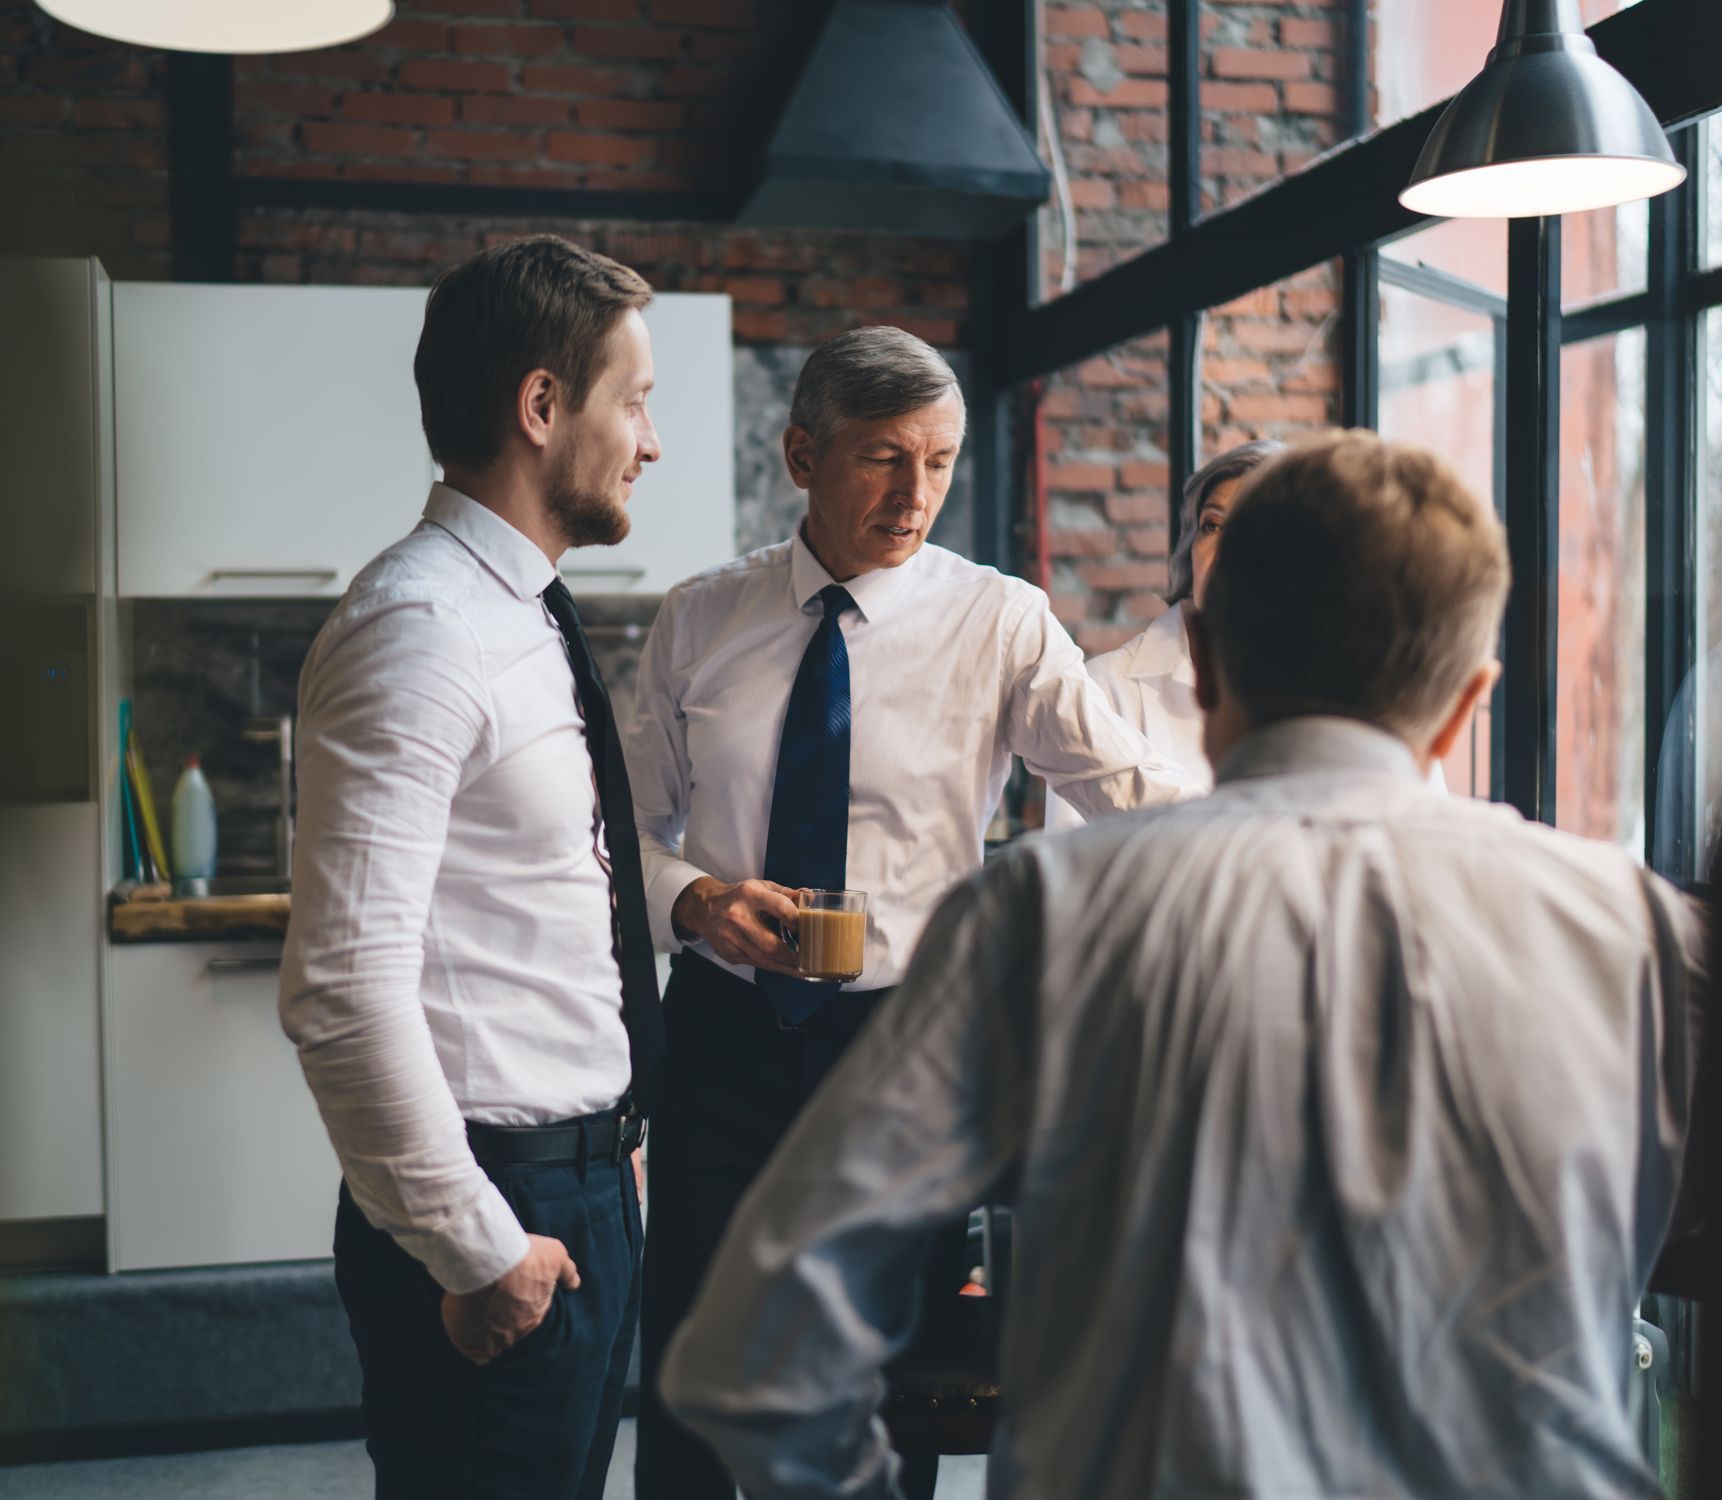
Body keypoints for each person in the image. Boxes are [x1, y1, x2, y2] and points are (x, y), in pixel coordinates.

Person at [658, 430, 1706, 1500]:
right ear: (1471, 700)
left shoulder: (1043, 910)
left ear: (1201, 663)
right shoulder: (1630, 927)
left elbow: (752, 1357)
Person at [625, 325, 1201, 1499]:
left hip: (908, 1051)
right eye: (885, 458)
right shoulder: (699, 619)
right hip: (725, 1037)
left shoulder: (1002, 622)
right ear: (802, 454)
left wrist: (1309, 817)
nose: (916, 494)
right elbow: (617, 830)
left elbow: (1128, 790)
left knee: (885, 1385)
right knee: (691, 1357)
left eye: (938, 462)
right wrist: (693, 902)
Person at [280, 236, 666, 1500]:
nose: (648, 443)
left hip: (571, 1184)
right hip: (499, 1212)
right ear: (542, 407)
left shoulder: (519, 611)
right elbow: (341, 987)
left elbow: (552, 902)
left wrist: (609, 1140)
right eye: (635, 401)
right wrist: (474, 1245)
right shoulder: (421, 628)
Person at [1044, 439, 1283, 829]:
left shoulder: (1324, 690)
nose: (1223, 549)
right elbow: (1072, 870)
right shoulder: (1106, 690)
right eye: (1211, 525)